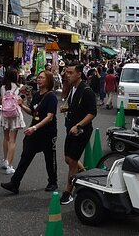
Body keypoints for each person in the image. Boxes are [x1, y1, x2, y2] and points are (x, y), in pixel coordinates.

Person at [1, 70, 58, 194]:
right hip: (34, 132)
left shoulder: (51, 97)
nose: (39, 79)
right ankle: (14, 183)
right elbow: (33, 112)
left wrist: (35, 127)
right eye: (38, 77)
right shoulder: (37, 94)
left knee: (49, 158)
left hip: (47, 132)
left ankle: (53, 182)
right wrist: (22, 105)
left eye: (42, 78)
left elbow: (50, 117)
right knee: (25, 156)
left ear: (48, 81)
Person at [59, 62, 97, 205]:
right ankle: (83, 173)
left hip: (81, 131)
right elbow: (77, 107)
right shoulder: (73, 89)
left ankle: (68, 192)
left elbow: (92, 112)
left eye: (70, 73)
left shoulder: (86, 90)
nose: (67, 75)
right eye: (66, 73)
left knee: (72, 162)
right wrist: (67, 109)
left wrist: (78, 125)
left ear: (79, 74)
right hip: (71, 128)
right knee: (68, 159)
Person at [0, 68, 26, 174]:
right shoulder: (20, 87)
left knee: (6, 137)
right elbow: (22, 100)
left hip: (5, 113)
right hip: (15, 114)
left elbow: (2, 99)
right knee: (12, 140)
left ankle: (5, 160)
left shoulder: (3, 87)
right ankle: (9, 165)